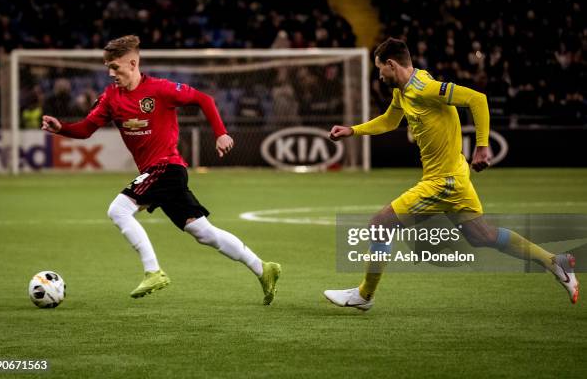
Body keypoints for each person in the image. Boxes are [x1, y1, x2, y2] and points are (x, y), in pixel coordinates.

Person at [323, 38, 578, 310]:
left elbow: (476, 99)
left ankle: (364, 295)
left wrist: (481, 146)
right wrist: (353, 130)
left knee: (380, 224)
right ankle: (554, 261)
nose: (379, 75)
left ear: (391, 64)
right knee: (482, 236)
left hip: (442, 182)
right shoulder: (403, 91)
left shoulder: (426, 88)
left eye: (379, 69)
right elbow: (389, 120)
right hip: (455, 177)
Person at [41, 35, 281, 304]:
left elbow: (204, 99)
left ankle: (153, 271)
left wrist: (221, 133)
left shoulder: (161, 89)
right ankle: (263, 268)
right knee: (203, 232)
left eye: (116, 67)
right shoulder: (110, 97)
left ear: (132, 63)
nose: (111, 73)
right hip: (158, 173)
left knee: (118, 210)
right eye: (108, 67)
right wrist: (61, 128)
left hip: (166, 167)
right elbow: (86, 129)